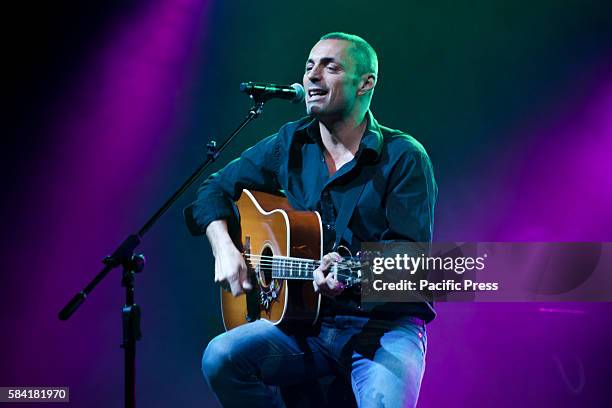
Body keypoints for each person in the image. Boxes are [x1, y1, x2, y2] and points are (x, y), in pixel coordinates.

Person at [184, 32, 438, 408]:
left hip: (381, 328)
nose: (312, 76)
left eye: (329, 67)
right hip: (306, 327)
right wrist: (224, 247)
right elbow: (212, 190)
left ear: (366, 83)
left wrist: (349, 273)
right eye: (309, 66)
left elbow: (411, 263)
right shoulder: (289, 144)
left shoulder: (404, 158)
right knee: (221, 357)